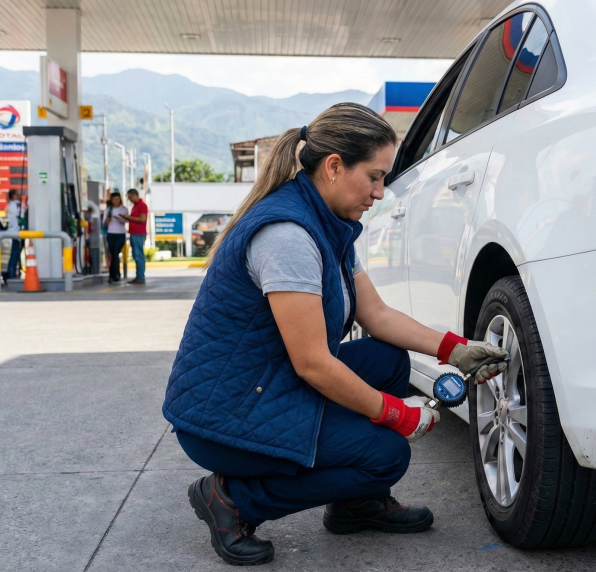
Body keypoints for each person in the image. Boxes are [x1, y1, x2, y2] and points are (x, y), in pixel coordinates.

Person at [162, 103, 510, 566]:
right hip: (225, 414)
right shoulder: (288, 236)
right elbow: (313, 363)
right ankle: (231, 500)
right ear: (333, 167)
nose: (380, 192)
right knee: (387, 455)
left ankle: (356, 503)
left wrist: (455, 349)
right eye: (374, 177)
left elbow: (377, 315)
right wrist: (397, 415)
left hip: (266, 382)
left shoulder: (328, 226)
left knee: (389, 358)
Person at [122, 188, 148, 285]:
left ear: (135, 195)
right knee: (135, 255)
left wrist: (128, 217)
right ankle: (138, 276)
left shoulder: (142, 205)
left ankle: (141, 277)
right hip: (134, 233)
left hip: (139, 233)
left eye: (130, 197)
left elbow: (142, 219)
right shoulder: (135, 206)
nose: (129, 200)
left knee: (138, 255)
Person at [102, 192, 128, 285]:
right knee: (113, 254)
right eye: (114, 199)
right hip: (111, 233)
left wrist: (120, 218)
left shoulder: (124, 209)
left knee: (116, 252)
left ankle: (114, 274)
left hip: (121, 233)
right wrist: (108, 219)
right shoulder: (108, 210)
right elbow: (105, 223)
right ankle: (114, 274)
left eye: (117, 199)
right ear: (111, 200)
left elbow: (126, 220)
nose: (116, 201)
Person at [5, 189, 24, 284]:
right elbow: (21, 216)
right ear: (13, 196)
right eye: (17, 194)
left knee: (16, 257)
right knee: (14, 257)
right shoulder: (16, 205)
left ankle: (13, 276)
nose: (20, 195)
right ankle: (12, 278)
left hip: (16, 234)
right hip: (16, 234)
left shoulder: (13, 205)